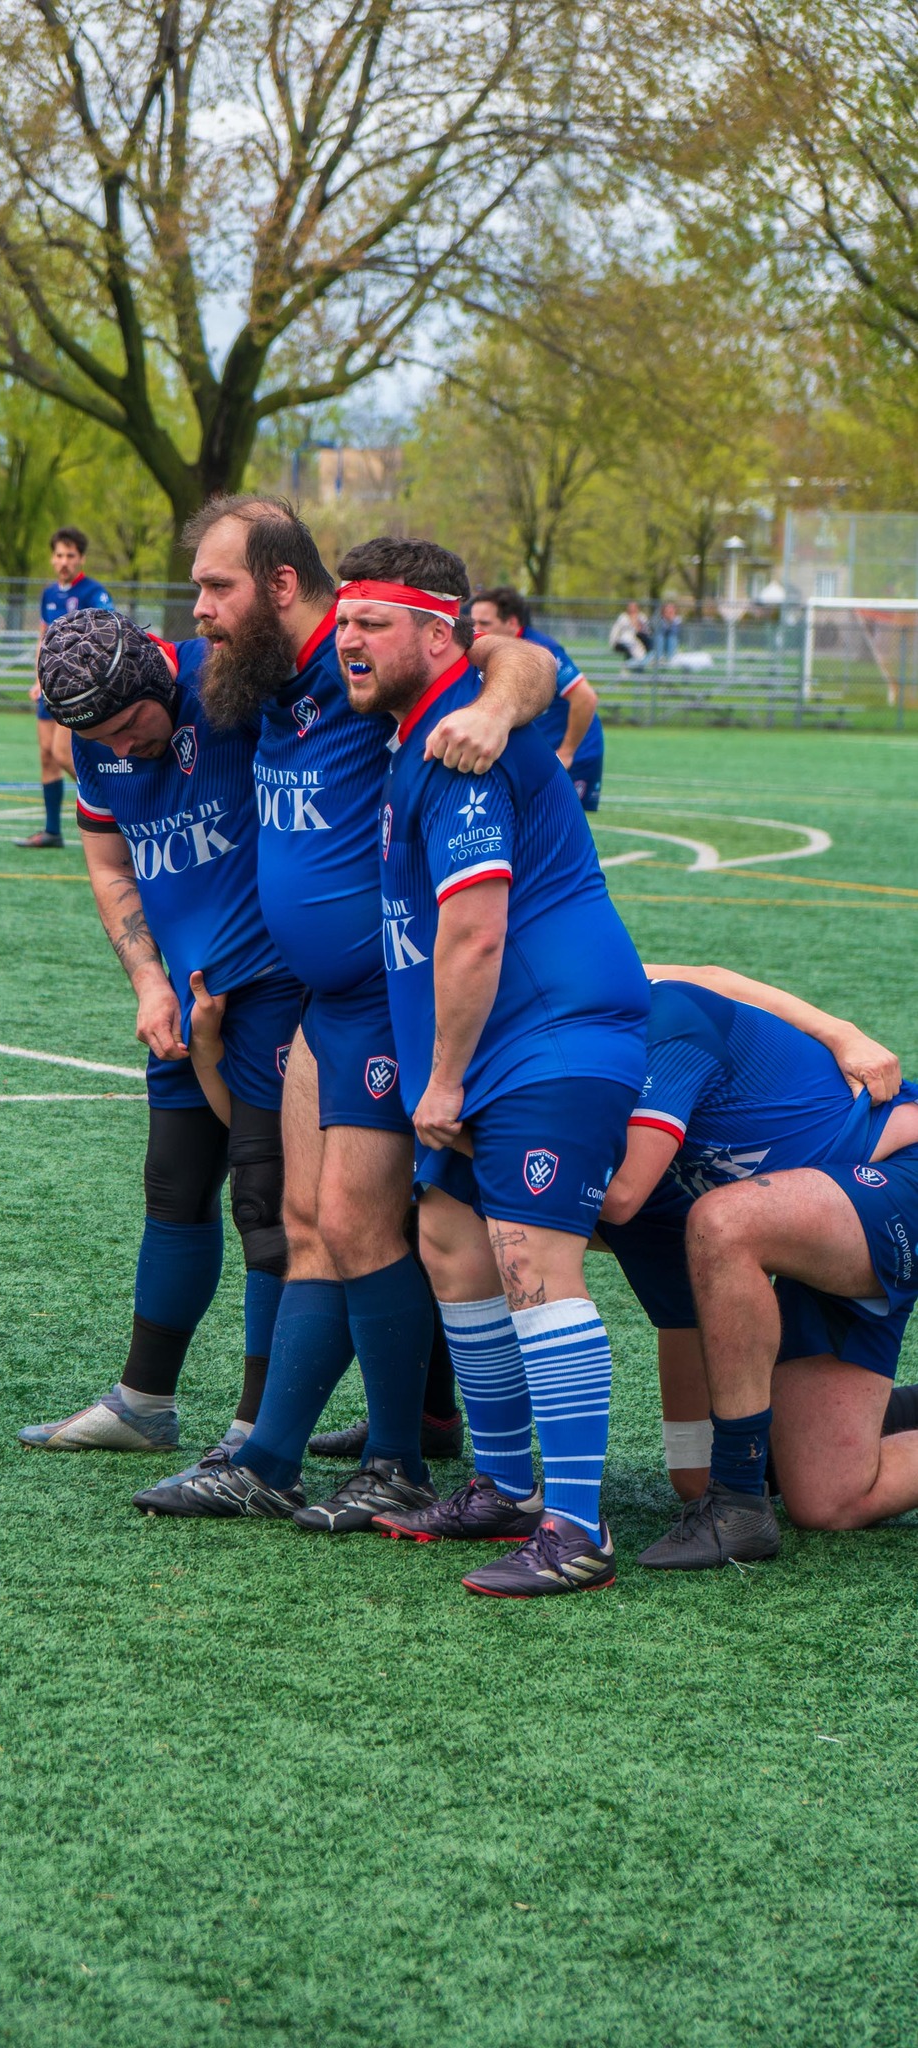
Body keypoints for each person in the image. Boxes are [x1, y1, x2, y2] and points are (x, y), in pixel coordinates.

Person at [133, 499, 555, 1528]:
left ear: (280, 585)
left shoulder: (364, 661)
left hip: (381, 995)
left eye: (217, 587)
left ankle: (400, 1459)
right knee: (310, 1222)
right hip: (319, 1002)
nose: (201, 610)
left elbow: (525, 660)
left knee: (365, 1227)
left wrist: (497, 707)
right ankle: (268, 1460)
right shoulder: (258, 674)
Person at [324, 537, 649, 1596]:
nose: (349, 640)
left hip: (545, 1043)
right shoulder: (422, 730)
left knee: (529, 1260)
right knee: (454, 1244)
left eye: (374, 622)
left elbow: (472, 933)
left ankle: (577, 1529)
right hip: (491, 1054)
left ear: (440, 633)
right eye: (345, 619)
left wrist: (446, 1079)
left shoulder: (465, 743)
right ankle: (505, 1487)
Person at [19, 610, 302, 1455]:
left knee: (265, 1204)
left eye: (130, 725)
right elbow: (109, 866)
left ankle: (259, 1429)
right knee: (173, 1191)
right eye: (100, 737)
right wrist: (149, 979)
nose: (123, 747)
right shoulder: (96, 744)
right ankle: (143, 1404)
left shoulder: (231, 689)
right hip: (183, 998)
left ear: (157, 683)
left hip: (274, 986)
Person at [594, 969, 918, 1568]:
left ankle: (738, 1505)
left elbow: (699, 978)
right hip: (808, 1216)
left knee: (725, 1221)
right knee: (825, 1500)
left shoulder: (599, 992)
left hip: (896, 1168)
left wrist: (841, 1031)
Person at [469, 586, 605, 812]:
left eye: (485, 623)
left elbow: (585, 698)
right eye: (472, 622)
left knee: (554, 826)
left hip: (571, 751)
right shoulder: (492, 651)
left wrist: (567, 752)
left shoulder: (542, 651)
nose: (476, 630)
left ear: (512, 623)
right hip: (538, 749)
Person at [20, 528, 114, 850]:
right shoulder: (49, 594)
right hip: (50, 689)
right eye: (59, 555)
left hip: (76, 691)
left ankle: (114, 807)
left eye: (70, 555)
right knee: (47, 756)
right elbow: (43, 637)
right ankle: (52, 831)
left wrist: (86, 679)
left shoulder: (93, 593)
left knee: (64, 754)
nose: (64, 561)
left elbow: (105, 639)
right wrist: (39, 679)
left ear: (81, 558)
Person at [609, 599, 650, 666]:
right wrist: (613, 642)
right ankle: (628, 666)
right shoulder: (623, 617)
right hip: (625, 640)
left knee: (642, 654)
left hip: (639, 641)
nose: (632, 609)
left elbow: (646, 630)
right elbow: (615, 631)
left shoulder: (641, 617)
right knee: (634, 651)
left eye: (634, 607)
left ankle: (629, 665)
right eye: (630, 607)